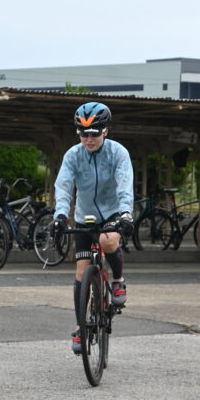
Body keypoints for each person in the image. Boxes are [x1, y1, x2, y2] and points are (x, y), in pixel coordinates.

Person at [53, 102, 134, 355]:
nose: (89, 139)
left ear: (105, 131)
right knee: (81, 272)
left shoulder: (118, 153)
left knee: (109, 241)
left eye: (94, 133)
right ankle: (80, 328)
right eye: (83, 133)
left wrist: (126, 213)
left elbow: (124, 184)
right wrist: (60, 216)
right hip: (84, 216)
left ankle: (118, 280)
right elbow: (64, 187)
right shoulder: (72, 156)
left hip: (113, 213)